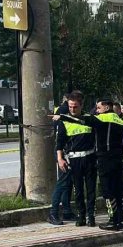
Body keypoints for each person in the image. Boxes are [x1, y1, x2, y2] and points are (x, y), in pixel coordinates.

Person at [54, 97, 123, 231]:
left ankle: (113, 220)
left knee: (108, 191)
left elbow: (84, 120)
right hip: (118, 160)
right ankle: (119, 219)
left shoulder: (104, 119)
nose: (96, 111)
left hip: (105, 160)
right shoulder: (121, 121)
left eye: (99, 108)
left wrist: (62, 118)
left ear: (107, 107)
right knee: (117, 190)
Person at [56, 92, 97, 227]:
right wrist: (60, 159)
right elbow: (60, 142)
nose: (72, 109)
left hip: (90, 157)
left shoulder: (89, 118)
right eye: (70, 106)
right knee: (78, 190)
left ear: (81, 105)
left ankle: (91, 216)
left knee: (91, 189)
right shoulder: (64, 121)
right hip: (74, 159)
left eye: (75, 107)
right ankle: (81, 216)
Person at [48, 92, 75, 225]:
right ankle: (53, 212)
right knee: (63, 183)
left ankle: (66, 211)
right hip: (65, 153)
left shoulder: (62, 111)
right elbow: (61, 137)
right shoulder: (65, 111)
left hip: (67, 152)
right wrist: (60, 156)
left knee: (67, 184)